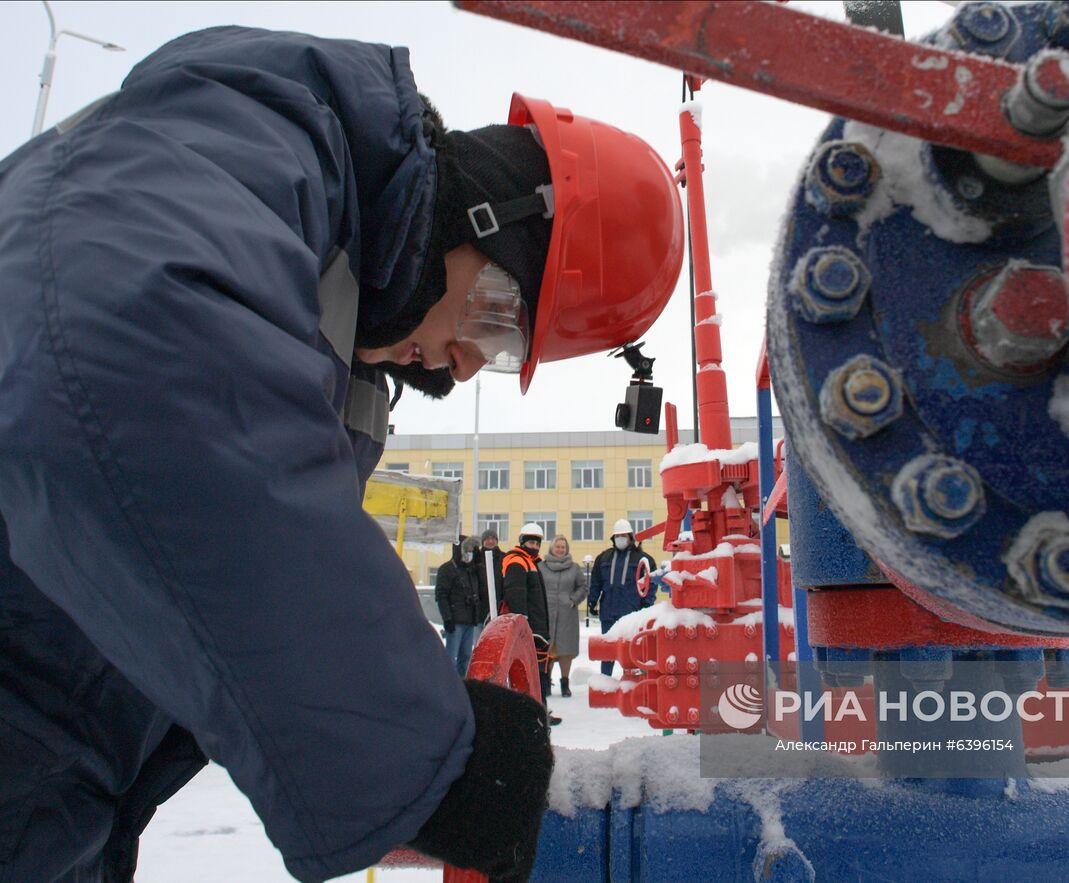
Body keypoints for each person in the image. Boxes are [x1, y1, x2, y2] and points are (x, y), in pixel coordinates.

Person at [0, 25, 682, 882]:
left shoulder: (326, 322)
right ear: (491, 211)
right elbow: (118, 357)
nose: (468, 362)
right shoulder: (250, 142)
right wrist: (426, 754)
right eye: (500, 321)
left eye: (505, 356)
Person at [501, 524, 558, 724]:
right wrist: (523, 624)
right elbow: (516, 593)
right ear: (522, 542)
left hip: (537, 628)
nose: (534, 546)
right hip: (530, 629)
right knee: (531, 674)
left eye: (537, 543)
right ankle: (534, 714)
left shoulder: (531, 562)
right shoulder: (518, 561)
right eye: (531, 542)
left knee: (539, 673)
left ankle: (540, 711)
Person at [587, 519, 659, 677]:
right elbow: (596, 582)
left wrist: (646, 606)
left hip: (632, 614)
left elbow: (651, 585)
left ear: (630, 537)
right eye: (617, 535)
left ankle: (633, 684)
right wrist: (592, 602)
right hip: (608, 613)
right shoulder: (603, 558)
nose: (620, 538)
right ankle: (605, 682)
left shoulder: (643, 559)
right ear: (613, 538)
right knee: (607, 652)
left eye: (623, 535)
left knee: (634, 651)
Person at [538, 536, 588, 697]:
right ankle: (546, 682)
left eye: (563, 547)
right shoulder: (541, 567)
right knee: (548, 650)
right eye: (557, 546)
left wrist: (573, 600)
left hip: (567, 614)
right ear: (551, 548)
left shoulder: (574, 568)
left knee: (566, 650)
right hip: (547, 614)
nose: (560, 549)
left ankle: (565, 683)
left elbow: (583, 586)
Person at [435, 535, 486, 677]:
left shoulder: (471, 570)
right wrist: (447, 618)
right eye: (467, 549)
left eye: (472, 550)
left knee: (465, 658)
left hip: (470, 621)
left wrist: (479, 561)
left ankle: (462, 688)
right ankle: (447, 686)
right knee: (450, 659)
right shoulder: (447, 569)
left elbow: (483, 585)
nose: (469, 554)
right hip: (455, 621)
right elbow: (441, 595)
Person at [476, 528, 506, 625]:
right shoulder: (477, 558)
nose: (490, 541)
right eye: (487, 539)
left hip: (500, 606)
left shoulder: (504, 557)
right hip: (480, 608)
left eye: (493, 539)